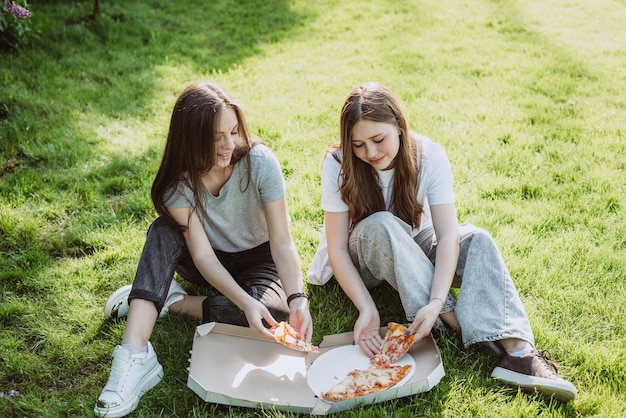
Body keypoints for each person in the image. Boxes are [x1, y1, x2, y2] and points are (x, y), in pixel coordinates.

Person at [308, 82, 577, 402]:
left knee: (477, 238)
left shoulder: (428, 154)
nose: (370, 153)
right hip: (363, 257)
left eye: (378, 139)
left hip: (413, 241)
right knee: (382, 224)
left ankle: (518, 353)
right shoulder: (338, 163)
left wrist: (436, 300)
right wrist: (367, 308)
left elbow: (448, 234)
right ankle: (457, 323)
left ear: (398, 125)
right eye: (358, 145)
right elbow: (337, 247)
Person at [95, 81, 313, 418]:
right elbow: (203, 257)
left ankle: (171, 302)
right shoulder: (178, 183)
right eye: (216, 139)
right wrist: (244, 300)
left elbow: (282, 242)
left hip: (259, 258)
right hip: (206, 259)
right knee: (162, 231)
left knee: (275, 316)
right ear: (191, 140)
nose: (229, 145)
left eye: (233, 131)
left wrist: (297, 298)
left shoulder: (260, 162)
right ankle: (135, 353)